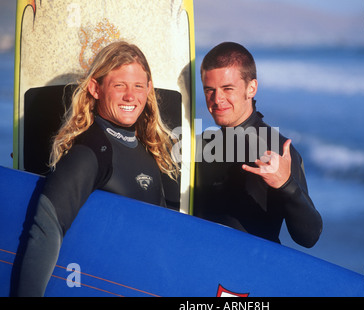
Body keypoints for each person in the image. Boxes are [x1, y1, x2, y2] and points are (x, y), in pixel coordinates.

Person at [13, 41, 179, 296]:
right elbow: (46, 229)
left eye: (138, 86)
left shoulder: (150, 151)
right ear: (96, 88)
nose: (130, 96)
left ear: (148, 90)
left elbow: (161, 236)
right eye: (119, 85)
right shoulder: (91, 151)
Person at [194, 42, 322, 247]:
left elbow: (309, 237)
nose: (217, 99)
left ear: (251, 88)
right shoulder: (202, 146)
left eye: (228, 88)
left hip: (249, 272)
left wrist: (286, 185)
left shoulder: (275, 149)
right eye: (209, 90)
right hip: (203, 268)